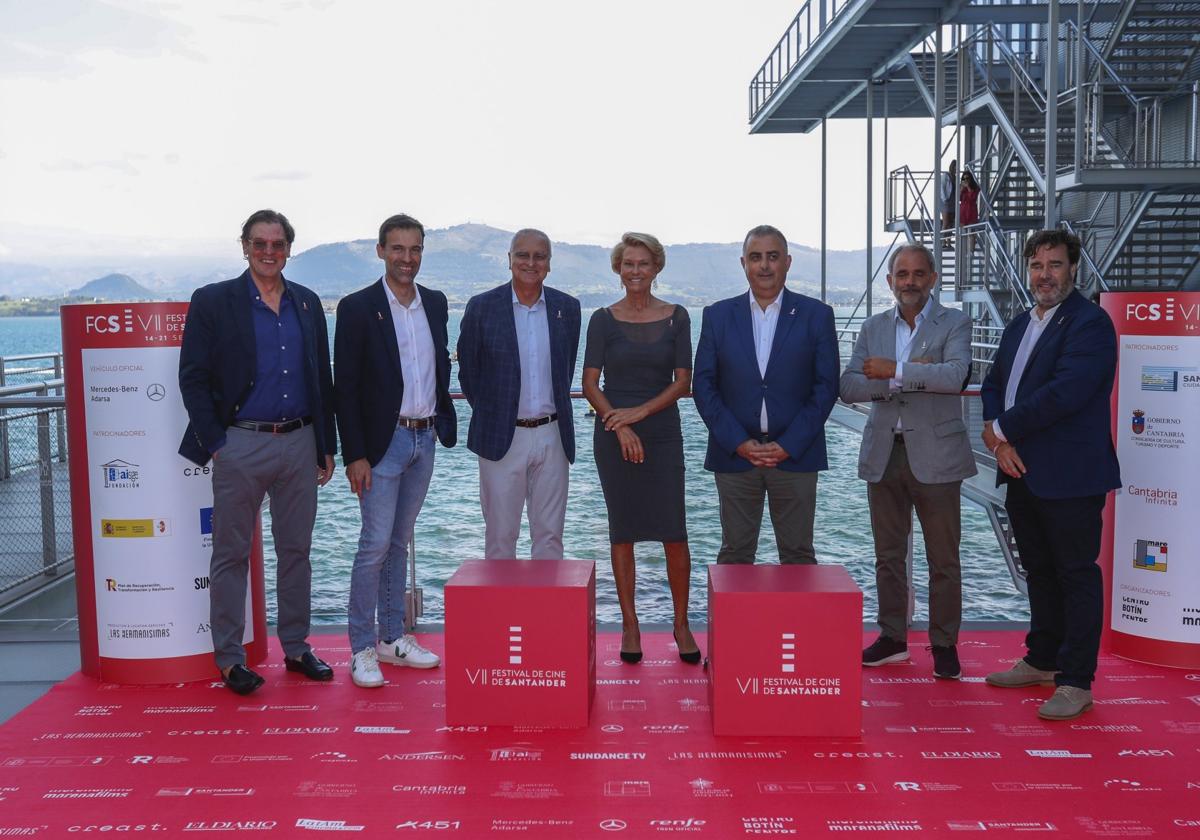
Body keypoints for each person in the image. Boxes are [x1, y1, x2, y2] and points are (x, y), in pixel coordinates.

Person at [178, 209, 336, 695]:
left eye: (278, 244)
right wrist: (219, 443)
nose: (269, 252)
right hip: (239, 442)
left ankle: (295, 646)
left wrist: (325, 445)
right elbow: (193, 377)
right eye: (259, 243)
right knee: (229, 555)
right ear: (244, 246)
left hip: (299, 442)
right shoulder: (214, 302)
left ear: (289, 248)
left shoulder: (308, 304)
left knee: (296, 552)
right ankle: (229, 659)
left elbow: (320, 379)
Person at [981, 229, 1120, 721]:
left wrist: (1000, 429)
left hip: (1070, 473)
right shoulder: (1020, 323)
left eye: (1055, 265)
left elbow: (1066, 392)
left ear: (1073, 269)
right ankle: (1041, 659)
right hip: (1019, 467)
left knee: (1076, 575)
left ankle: (1076, 680)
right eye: (1037, 266)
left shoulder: (1091, 324)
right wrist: (999, 438)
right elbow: (996, 382)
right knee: (1038, 570)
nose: (1045, 275)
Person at [839, 244, 976, 679]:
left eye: (918, 273)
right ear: (890, 280)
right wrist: (903, 378)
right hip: (884, 454)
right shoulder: (873, 325)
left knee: (944, 558)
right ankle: (893, 638)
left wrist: (893, 371)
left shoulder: (955, 321)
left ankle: (944, 644)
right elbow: (849, 386)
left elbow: (955, 376)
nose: (910, 281)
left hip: (937, 457)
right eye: (902, 274)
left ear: (932, 278)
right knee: (888, 555)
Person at [334, 214, 456, 688]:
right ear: (381, 250)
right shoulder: (358, 307)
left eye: (415, 249)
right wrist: (354, 454)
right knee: (373, 546)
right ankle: (362, 647)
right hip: (381, 444)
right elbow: (345, 387)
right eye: (398, 249)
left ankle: (392, 637)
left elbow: (439, 365)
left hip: (424, 439)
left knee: (398, 543)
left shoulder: (437, 304)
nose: (407, 259)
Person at [581, 232, 699, 665]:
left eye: (643, 264)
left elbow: (682, 382)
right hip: (613, 434)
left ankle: (681, 623)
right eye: (628, 263)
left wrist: (638, 415)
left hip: (663, 432)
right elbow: (590, 384)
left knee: (674, 530)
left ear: (656, 268)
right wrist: (620, 423)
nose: (635, 271)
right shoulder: (601, 319)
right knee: (623, 529)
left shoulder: (677, 317)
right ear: (618, 268)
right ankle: (630, 625)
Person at [693, 225, 839, 565]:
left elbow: (826, 386)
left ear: (787, 262)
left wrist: (789, 444)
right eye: (756, 257)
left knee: (799, 555)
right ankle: (735, 622)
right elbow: (703, 385)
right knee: (735, 554)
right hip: (735, 456)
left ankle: (799, 622)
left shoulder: (816, 315)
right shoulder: (717, 315)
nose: (764, 266)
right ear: (743, 263)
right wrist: (739, 442)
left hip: (797, 456)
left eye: (772, 257)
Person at [457, 229, 581, 559]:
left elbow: (565, 369)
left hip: (553, 435)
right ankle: (502, 612)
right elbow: (468, 373)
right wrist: (496, 412)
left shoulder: (567, 308)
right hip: (502, 436)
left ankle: (548, 611)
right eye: (522, 255)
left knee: (551, 538)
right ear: (509, 260)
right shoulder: (482, 307)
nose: (531, 262)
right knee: (500, 537)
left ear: (549, 264)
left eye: (539, 256)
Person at [940, 159, 958, 248]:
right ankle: (943, 242)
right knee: (945, 222)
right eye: (955, 167)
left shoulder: (956, 177)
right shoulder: (946, 176)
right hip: (946, 202)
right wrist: (944, 198)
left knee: (951, 223)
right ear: (952, 167)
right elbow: (942, 187)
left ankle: (949, 241)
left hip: (953, 202)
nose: (956, 169)